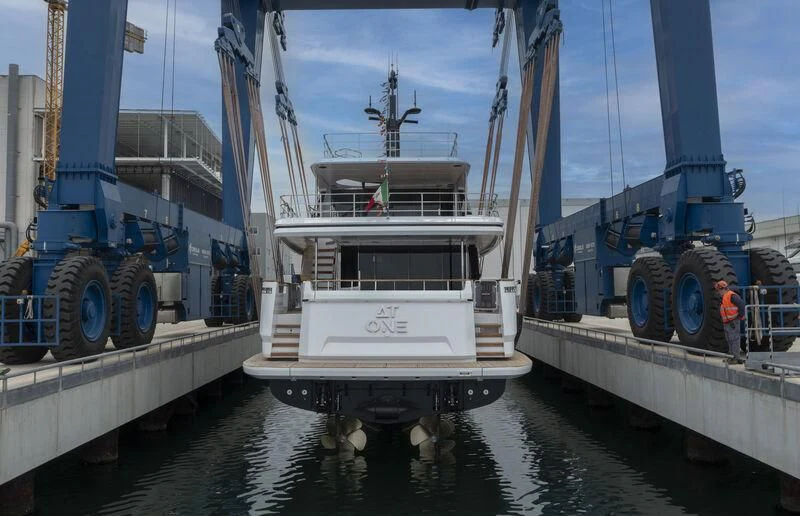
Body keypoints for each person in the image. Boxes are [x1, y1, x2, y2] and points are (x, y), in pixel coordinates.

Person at [715, 280, 746, 364]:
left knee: (734, 339)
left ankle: (735, 358)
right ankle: (731, 357)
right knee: (729, 339)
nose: (718, 293)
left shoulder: (732, 296)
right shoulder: (724, 297)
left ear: (722, 289)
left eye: (719, 290)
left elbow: (741, 304)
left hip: (733, 321)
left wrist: (740, 316)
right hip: (727, 322)